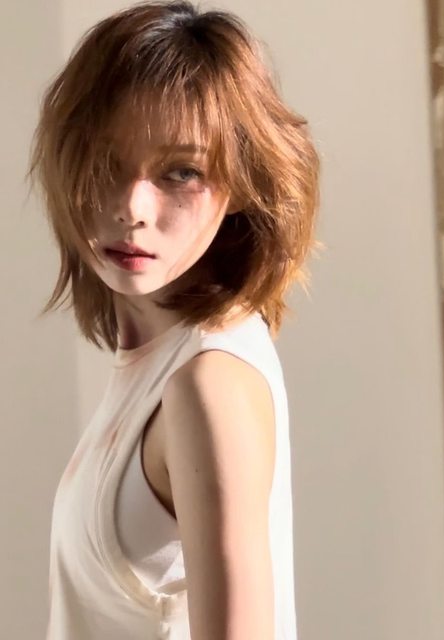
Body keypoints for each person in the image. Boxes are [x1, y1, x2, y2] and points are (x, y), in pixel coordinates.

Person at [26, 1, 321, 638]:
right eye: (106, 162)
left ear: (240, 184)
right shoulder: (165, 360)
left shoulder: (208, 385)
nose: (133, 207)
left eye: (181, 172)